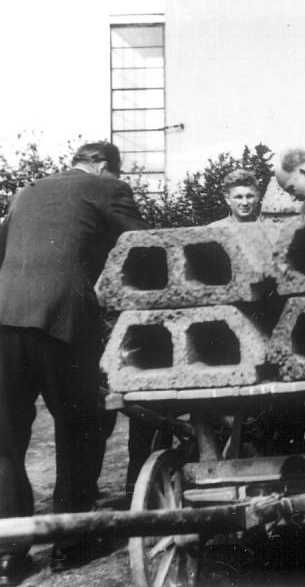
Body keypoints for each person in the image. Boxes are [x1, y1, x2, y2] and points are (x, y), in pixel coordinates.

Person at [0, 142, 149, 583]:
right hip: (63, 319)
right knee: (83, 425)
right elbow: (145, 244)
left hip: (4, 320)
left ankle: (10, 555)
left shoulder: (26, 191)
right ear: (103, 166)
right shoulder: (107, 187)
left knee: (6, 439)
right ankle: (72, 543)